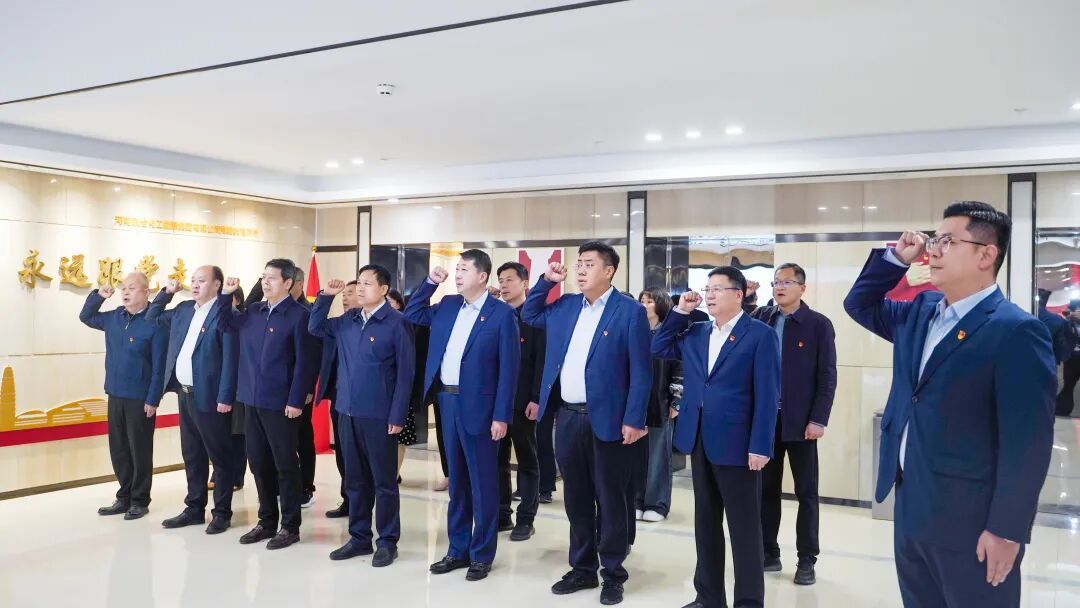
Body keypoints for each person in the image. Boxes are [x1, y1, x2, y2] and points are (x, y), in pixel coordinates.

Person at [844, 201, 1056, 607]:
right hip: (911, 503)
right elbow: (859, 305)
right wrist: (895, 260)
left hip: (971, 519)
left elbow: (1027, 444)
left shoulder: (1015, 330)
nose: (933, 251)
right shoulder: (920, 313)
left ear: (986, 255)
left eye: (947, 241)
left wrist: (1007, 530)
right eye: (934, 240)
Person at [521, 241, 651, 606]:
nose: (580, 269)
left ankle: (613, 573)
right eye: (578, 263)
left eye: (589, 264)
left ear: (609, 271)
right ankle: (582, 568)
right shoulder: (565, 306)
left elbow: (641, 372)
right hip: (568, 417)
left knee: (611, 500)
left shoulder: (629, 311)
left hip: (609, 419)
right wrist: (547, 281)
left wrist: (634, 418)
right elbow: (530, 314)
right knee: (576, 498)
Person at [652, 266, 779, 608]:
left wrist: (761, 445)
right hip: (699, 440)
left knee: (744, 529)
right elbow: (659, 346)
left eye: (717, 289)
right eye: (707, 289)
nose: (709, 295)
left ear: (738, 294)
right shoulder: (696, 332)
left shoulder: (761, 335)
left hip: (739, 445)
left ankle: (748, 601)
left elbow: (768, 396)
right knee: (706, 525)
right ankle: (708, 598)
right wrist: (681, 311)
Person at [404, 249, 520, 582]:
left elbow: (509, 370)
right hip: (447, 400)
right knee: (457, 481)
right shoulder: (448, 305)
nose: (457, 274)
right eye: (456, 269)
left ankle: (481, 555)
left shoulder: (501, 315)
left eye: (464, 269)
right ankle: (457, 549)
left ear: (482, 277)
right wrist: (430, 283)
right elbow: (412, 312)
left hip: (481, 408)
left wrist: (501, 416)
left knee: (482, 484)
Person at [310, 267, 415, 567]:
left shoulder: (397, 323)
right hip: (347, 411)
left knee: (384, 482)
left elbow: (406, 374)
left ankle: (387, 541)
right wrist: (325, 297)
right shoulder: (348, 320)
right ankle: (359, 538)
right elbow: (315, 328)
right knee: (355, 480)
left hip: (380, 415)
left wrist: (398, 414)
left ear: (383, 289)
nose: (360, 288)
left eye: (368, 284)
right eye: (359, 283)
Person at [743, 263, 837, 586]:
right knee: (766, 490)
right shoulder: (763, 317)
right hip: (767, 421)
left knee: (806, 492)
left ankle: (807, 559)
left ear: (802, 287)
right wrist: (747, 298)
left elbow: (827, 375)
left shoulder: (818, 324)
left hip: (801, 422)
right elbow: (739, 329)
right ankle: (769, 552)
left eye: (786, 282)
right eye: (776, 282)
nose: (780, 287)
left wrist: (818, 418)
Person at [219, 259, 319, 550]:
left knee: (285, 464)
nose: (265, 282)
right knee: (259, 463)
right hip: (251, 400)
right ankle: (266, 521)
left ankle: (290, 525)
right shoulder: (254, 311)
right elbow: (225, 324)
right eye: (263, 277)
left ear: (288, 283)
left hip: (281, 403)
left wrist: (296, 399)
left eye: (272, 278)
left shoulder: (300, 316)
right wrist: (226, 296)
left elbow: (305, 363)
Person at [145, 267, 239, 535]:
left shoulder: (225, 313)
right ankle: (194, 508)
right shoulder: (184, 309)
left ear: (217, 285)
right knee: (192, 453)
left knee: (219, 456)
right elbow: (152, 316)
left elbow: (231, 359)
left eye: (202, 281)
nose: (195, 285)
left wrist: (225, 396)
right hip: (184, 394)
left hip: (211, 397)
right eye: (193, 281)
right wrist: (167, 293)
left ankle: (221, 513)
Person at [80, 272, 168, 521]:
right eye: (123, 288)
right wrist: (99, 296)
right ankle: (124, 496)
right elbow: (86, 316)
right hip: (115, 393)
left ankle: (140, 500)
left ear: (146, 292)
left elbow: (160, 367)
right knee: (119, 449)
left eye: (132, 288)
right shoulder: (114, 317)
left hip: (140, 399)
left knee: (139, 450)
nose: (125, 292)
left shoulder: (155, 323)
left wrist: (153, 399)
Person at [495, 262, 546, 542]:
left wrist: (537, 398)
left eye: (509, 280)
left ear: (525, 284)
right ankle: (502, 514)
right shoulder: (496, 315)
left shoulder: (535, 318)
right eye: (500, 280)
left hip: (524, 401)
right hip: (497, 402)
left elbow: (542, 362)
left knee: (526, 459)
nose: (503, 285)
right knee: (497, 459)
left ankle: (526, 518)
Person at [634, 288, 682, 524]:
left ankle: (657, 503)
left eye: (649, 301)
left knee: (658, 456)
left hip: (661, 401)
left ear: (661, 305)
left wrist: (676, 400)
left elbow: (680, 368)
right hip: (636, 403)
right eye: (642, 301)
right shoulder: (635, 331)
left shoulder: (670, 334)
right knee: (635, 455)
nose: (644, 305)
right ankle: (636, 500)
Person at [325, 280, 359, 519]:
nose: (345, 298)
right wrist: (327, 296)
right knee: (342, 451)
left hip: (365, 400)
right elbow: (314, 325)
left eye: (350, 293)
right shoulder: (338, 325)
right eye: (343, 294)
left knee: (360, 455)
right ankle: (348, 499)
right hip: (339, 396)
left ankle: (362, 502)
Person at [290, 266, 319, 508]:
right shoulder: (271, 311)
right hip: (276, 389)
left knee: (302, 439)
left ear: (299, 284)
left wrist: (308, 389)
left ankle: (306, 487)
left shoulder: (308, 313)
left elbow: (311, 358)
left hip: (300, 389)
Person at [385, 289, 419, 483]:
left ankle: (394, 474)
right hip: (382, 394)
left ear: (398, 304)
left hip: (401, 391)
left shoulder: (404, 323)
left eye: (389, 301)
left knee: (399, 438)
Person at [226, 287, 248, 490]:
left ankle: (237, 477)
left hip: (240, 386)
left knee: (238, 433)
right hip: (223, 387)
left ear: (238, 300)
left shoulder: (242, 321)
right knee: (223, 433)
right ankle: (222, 474)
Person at [1057, 304, 1080, 417]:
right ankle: (1063, 409)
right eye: (1077, 311)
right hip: (1072, 358)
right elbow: (1062, 337)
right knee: (1069, 385)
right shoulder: (1068, 323)